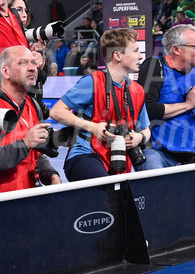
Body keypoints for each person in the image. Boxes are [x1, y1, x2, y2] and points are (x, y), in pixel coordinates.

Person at [49, 28, 150, 181]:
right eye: (135, 51)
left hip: (119, 159)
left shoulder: (137, 90)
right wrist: (93, 127)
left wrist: (139, 137)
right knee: (107, 190)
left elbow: (146, 129)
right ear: (118, 55)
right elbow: (56, 111)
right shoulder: (92, 82)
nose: (141, 56)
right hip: (85, 154)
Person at [0, 46, 61, 191]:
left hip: (28, 197)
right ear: (5, 71)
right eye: (23, 63)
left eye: (33, 63)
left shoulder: (33, 105)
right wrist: (25, 143)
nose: (32, 68)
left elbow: (36, 154)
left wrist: (51, 174)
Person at [139, 25, 195, 170]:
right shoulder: (155, 66)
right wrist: (188, 104)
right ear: (176, 49)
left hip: (185, 153)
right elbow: (146, 109)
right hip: (154, 151)